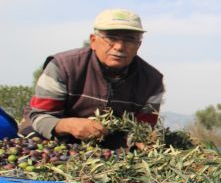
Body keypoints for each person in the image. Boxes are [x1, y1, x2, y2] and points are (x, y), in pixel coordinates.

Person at [19, 8, 164, 148]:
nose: (119, 46)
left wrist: (144, 140)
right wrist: (68, 125)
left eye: (129, 39)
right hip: (50, 140)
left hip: (107, 149)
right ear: (93, 41)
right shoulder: (63, 67)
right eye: (111, 37)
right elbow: (38, 116)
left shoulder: (151, 81)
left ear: (138, 45)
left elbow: (143, 129)